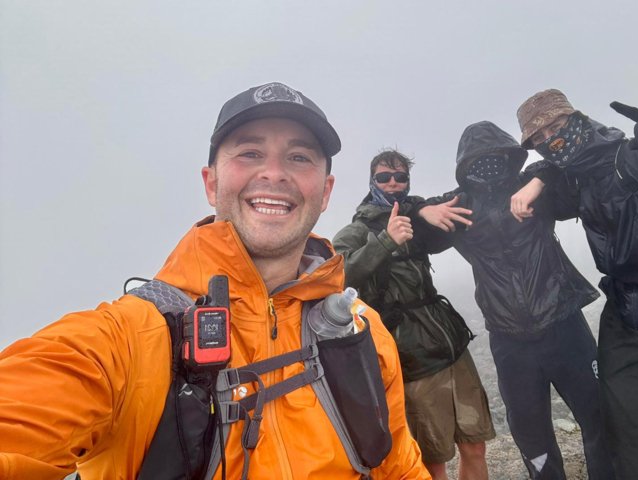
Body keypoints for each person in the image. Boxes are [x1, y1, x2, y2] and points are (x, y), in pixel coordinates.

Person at [0, 82, 430, 480]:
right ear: (211, 183)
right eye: (249, 153)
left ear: (326, 190)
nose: (275, 173)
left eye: (299, 157)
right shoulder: (133, 339)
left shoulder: (359, 328)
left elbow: (400, 466)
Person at [511, 88, 638, 479]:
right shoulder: (571, 180)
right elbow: (496, 190)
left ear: (576, 119)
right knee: (630, 449)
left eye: (556, 126)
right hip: (626, 317)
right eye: (538, 139)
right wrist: (539, 176)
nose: (549, 139)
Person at [416, 121, 615, 480]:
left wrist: (538, 180)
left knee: (599, 415)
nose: (489, 165)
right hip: (509, 340)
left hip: (563, 323)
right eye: (480, 160)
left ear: (511, 156)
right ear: (464, 166)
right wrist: (421, 212)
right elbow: (404, 223)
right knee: (530, 434)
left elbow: (570, 166)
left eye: (497, 157)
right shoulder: (458, 206)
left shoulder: (535, 188)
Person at [332, 150, 495, 480]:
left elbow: (448, 206)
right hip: (410, 356)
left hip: (450, 343)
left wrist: (423, 208)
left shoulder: (416, 217)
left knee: (475, 444)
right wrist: (384, 242)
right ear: (371, 180)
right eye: (384, 177)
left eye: (400, 177)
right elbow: (336, 276)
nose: (393, 183)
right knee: (434, 457)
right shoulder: (358, 230)